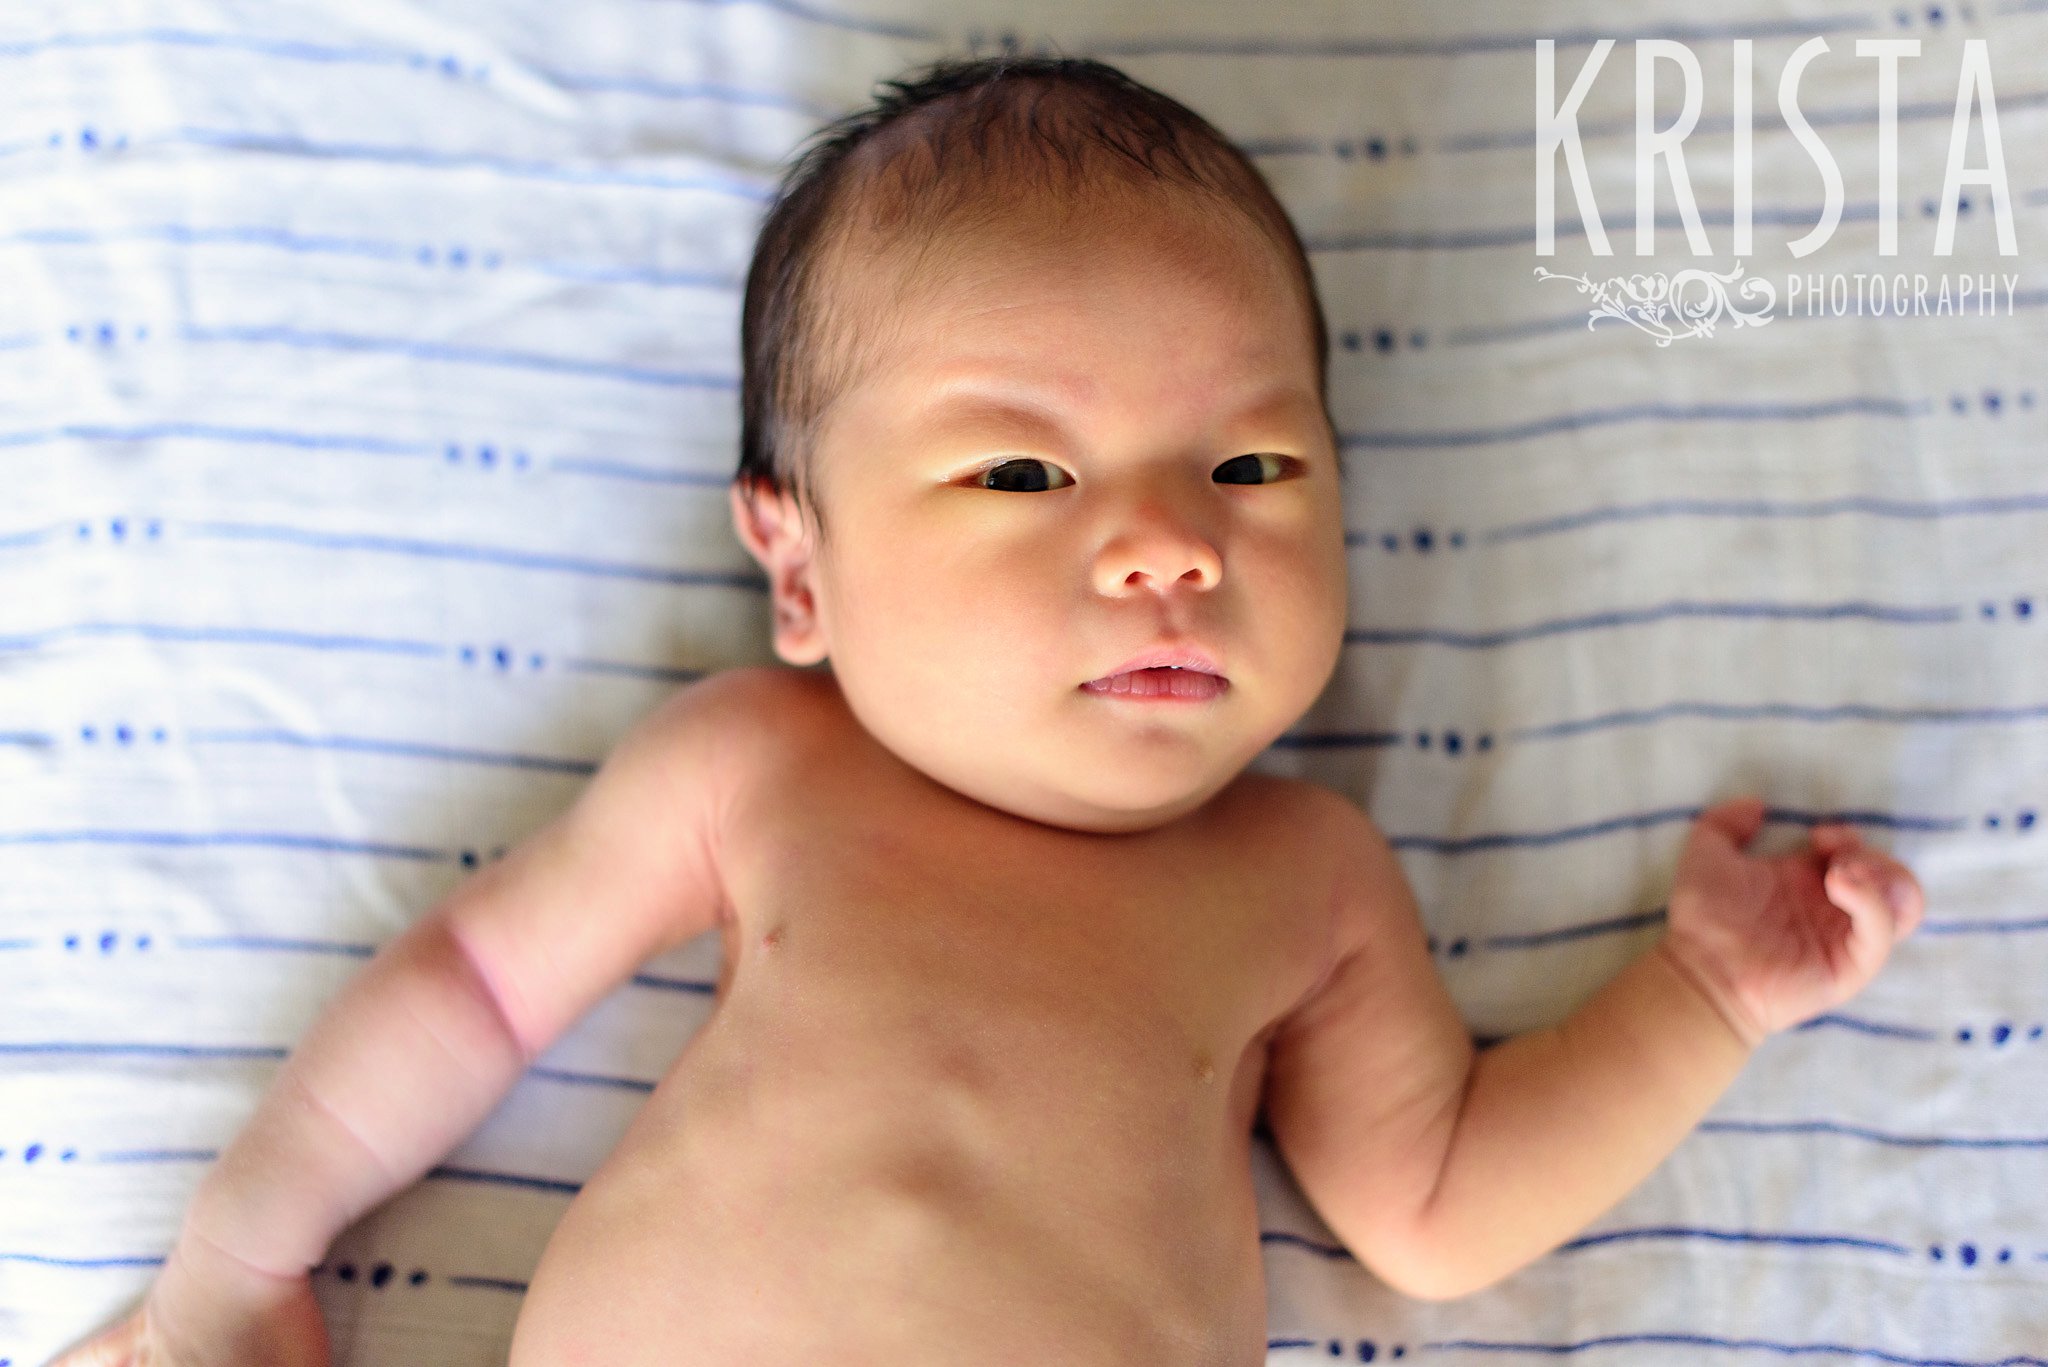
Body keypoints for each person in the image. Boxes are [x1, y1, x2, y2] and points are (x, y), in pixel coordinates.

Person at [52, 53, 1925, 1366]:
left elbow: (1431, 1206)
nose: (1167, 547)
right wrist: (242, 1253)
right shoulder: (757, 769)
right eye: (1022, 477)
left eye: (1254, 464)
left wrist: (1705, 1000)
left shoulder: (1300, 874)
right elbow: (470, 991)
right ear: (802, 573)